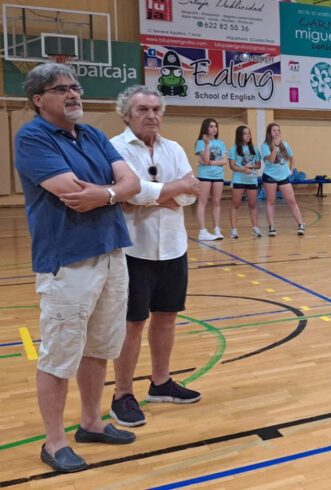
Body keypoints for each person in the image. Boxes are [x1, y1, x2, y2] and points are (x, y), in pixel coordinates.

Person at [14, 63, 141, 472]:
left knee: (99, 346)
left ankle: (92, 422)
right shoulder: (32, 137)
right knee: (58, 355)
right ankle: (54, 443)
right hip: (67, 262)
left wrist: (103, 193)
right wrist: (113, 192)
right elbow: (72, 193)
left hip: (111, 253)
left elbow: (132, 182)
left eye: (75, 87)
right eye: (61, 89)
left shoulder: (93, 134)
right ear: (38, 100)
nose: (73, 94)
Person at [108, 85, 202, 428]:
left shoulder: (174, 148)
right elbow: (124, 195)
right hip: (133, 249)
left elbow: (192, 194)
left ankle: (161, 383)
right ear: (126, 115)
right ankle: (122, 395)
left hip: (174, 247)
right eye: (143, 110)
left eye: (156, 109)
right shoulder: (115, 149)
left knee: (167, 317)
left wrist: (153, 194)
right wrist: (173, 190)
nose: (152, 115)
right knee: (132, 324)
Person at [260, 123, 306, 236]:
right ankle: (271, 227)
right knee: (271, 201)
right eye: (274, 130)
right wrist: (275, 146)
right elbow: (271, 159)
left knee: (291, 200)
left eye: (278, 130)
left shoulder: (285, 144)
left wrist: (291, 170)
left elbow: (292, 157)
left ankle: (300, 224)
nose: (277, 132)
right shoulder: (265, 145)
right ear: (269, 133)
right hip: (270, 177)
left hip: (283, 177)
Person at [194, 118, 227, 241]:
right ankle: (202, 231)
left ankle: (217, 229)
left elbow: (224, 161)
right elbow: (206, 159)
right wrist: (207, 144)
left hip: (218, 175)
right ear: (206, 128)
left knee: (216, 202)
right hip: (205, 175)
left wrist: (212, 163)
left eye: (215, 126)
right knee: (202, 201)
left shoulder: (221, 143)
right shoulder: (200, 143)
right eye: (211, 126)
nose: (214, 129)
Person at [228, 125, 262, 238]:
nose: (248, 136)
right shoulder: (234, 149)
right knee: (236, 204)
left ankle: (255, 228)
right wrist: (244, 169)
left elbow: (258, 165)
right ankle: (233, 229)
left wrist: (251, 166)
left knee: (252, 205)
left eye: (249, 133)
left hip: (251, 180)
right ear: (240, 135)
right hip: (238, 179)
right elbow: (232, 166)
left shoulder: (255, 149)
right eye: (245, 134)